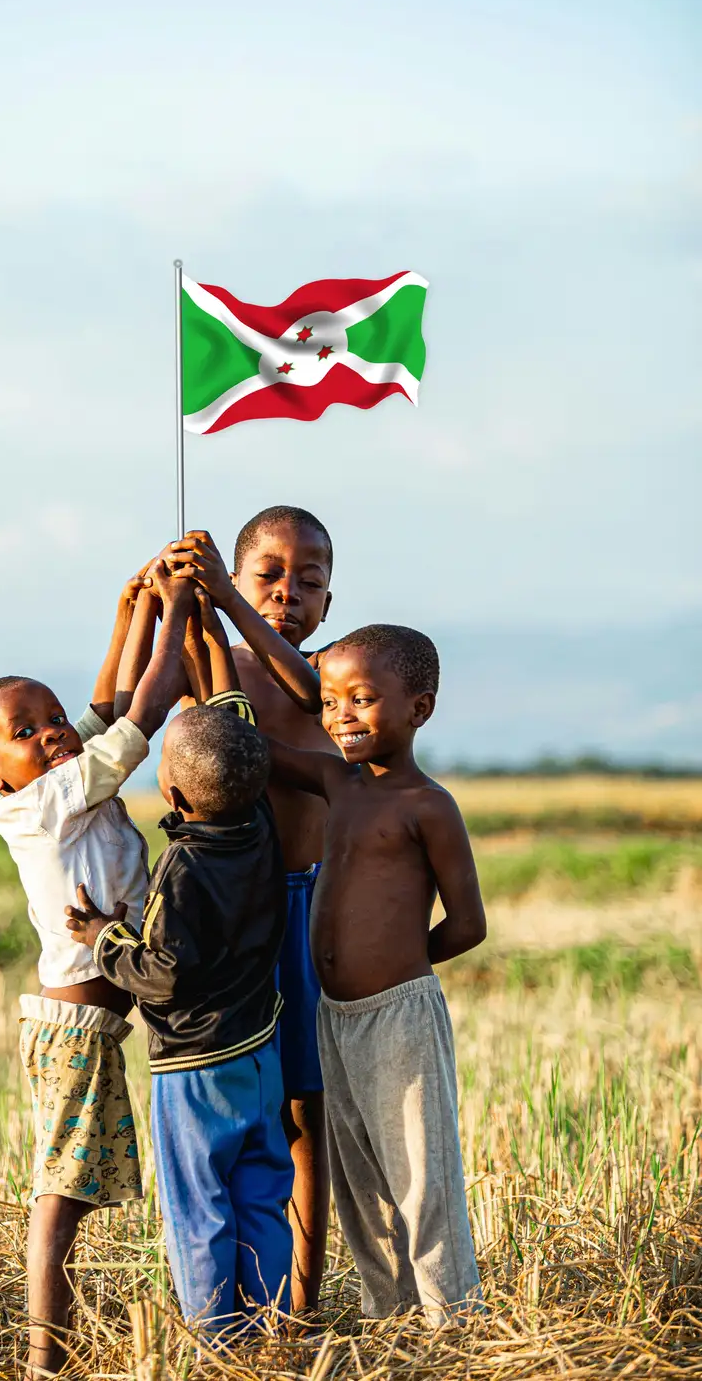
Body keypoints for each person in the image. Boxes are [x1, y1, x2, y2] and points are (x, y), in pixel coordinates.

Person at [0, 561, 194, 1378]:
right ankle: (41, 1353)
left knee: (73, 1186)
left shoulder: (56, 775)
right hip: (76, 1032)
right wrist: (178, 613)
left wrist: (130, 613)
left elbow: (101, 710)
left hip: (90, 1021)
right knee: (61, 1192)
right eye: (27, 732)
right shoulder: (40, 804)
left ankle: (50, 1342)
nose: (52, 733)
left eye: (51, 718)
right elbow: (142, 713)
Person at [64, 597, 294, 1333]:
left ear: (172, 793)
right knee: (261, 1192)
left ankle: (214, 1338)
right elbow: (233, 714)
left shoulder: (183, 870)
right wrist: (206, 617)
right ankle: (265, 1324)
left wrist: (103, 934)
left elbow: (159, 970)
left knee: (200, 1208)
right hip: (261, 1052)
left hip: (196, 1068)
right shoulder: (261, 826)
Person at [257, 622, 487, 1325]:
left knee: (420, 1174)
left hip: (400, 1014)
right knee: (359, 1178)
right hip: (336, 1015)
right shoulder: (336, 781)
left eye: (361, 699)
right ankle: (387, 1317)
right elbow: (252, 746)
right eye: (330, 703)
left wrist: (399, 964)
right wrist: (210, 622)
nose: (340, 716)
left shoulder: (428, 806)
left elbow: (468, 923)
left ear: (418, 709)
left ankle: (451, 1321)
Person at [165, 508, 334, 1312]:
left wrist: (230, 599)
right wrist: (172, 604)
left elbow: (306, 690)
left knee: (307, 1110)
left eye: (309, 580)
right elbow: (151, 703)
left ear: (329, 604)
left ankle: (300, 1305)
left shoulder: (333, 672)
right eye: (269, 573)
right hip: (240, 918)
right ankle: (234, 1299)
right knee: (254, 1110)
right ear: (239, 572)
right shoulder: (217, 661)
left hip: (311, 905)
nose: (287, 592)